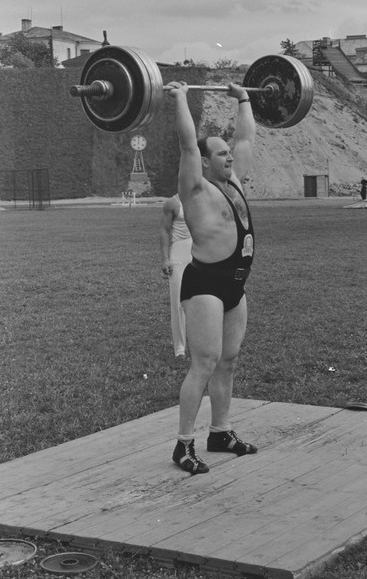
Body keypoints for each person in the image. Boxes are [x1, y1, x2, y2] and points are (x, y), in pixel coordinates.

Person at [165, 79, 258, 475]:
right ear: (204, 161)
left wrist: (244, 99)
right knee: (203, 363)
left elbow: (246, 140)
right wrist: (181, 99)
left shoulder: (234, 182)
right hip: (205, 285)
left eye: (227, 153)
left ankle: (220, 432)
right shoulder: (195, 190)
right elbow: (188, 144)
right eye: (219, 154)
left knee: (229, 361)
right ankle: (183, 445)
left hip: (235, 285)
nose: (229, 158)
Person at [159, 194, 192, 358]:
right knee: (178, 302)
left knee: (204, 300)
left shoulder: (204, 197)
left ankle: (201, 342)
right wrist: (165, 259)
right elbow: (165, 229)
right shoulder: (172, 203)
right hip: (179, 255)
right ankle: (180, 348)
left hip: (201, 254)